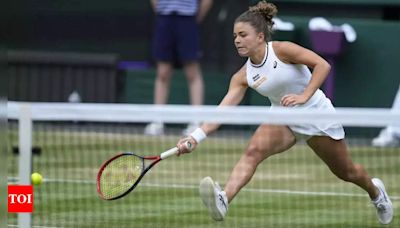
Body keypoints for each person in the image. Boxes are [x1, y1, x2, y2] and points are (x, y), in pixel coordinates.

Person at [176, 1, 394, 225]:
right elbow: (221, 112)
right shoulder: (242, 76)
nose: (237, 40)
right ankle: (224, 199)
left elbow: (322, 65)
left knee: (346, 172)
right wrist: (196, 136)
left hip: (315, 114)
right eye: (234, 36)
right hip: (283, 117)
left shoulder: (282, 50)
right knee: (253, 152)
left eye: (243, 35)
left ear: (260, 36)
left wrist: (304, 96)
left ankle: (376, 192)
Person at [144, 0, 213, 136]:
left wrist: (194, 18)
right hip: (164, 19)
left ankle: (195, 122)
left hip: (188, 20)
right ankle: (157, 121)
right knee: (163, 72)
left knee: (192, 72)